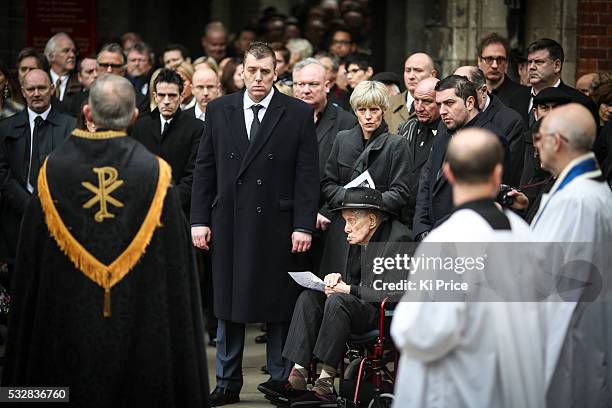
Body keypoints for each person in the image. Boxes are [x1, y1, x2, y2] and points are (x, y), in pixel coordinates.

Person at [1, 73, 210, 407]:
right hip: (140, 324)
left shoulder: (52, 169)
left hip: (64, 326)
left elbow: (29, 272)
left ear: (87, 113)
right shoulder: (155, 173)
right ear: (134, 116)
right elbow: (177, 275)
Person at [190, 42, 319, 406]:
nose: (258, 77)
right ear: (242, 72)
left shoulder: (296, 112)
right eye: (252, 70)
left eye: (265, 71)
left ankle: (279, 380)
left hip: (278, 225)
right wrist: (199, 219)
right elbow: (205, 169)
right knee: (229, 303)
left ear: (276, 73)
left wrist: (304, 225)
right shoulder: (219, 110)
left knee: (278, 305)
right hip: (229, 219)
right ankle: (227, 382)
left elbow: (307, 175)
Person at [392, 128, 546, 408]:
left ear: (448, 173)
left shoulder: (447, 241)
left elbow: (424, 331)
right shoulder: (525, 234)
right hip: (515, 387)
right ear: (498, 174)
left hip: (461, 389)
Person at [275, 187, 410, 405]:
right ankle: (298, 373)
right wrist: (335, 280)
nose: (345, 228)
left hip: (383, 313)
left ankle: (326, 381)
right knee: (309, 298)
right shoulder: (359, 237)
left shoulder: (399, 239)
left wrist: (347, 289)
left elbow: (392, 292)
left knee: (339, 301)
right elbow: (352, 281)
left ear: (372, 220)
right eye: (344, 221)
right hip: (355, 305)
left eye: (351, 221)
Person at [529, 103, 612, 408]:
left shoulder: (576, 201)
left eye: (540, 136)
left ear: (557, 141)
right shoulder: (589, 191)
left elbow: (548, 285)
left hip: (567, 346)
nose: (536, 143)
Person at [319, 80, 412, 280]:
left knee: (366, 295)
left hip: (379, 231)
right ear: (355, 111)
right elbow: (327, 185)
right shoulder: (342, 139)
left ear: (384, 110)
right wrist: (351, 197)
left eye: (374, 109)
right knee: (333, 290)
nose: (368, 116)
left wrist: (367, 202)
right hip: (342, 230)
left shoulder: (397, 144)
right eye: (362, 110)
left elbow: (401, 192)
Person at [413, 75, 510, 241]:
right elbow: (427, 183)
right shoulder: (444, 130)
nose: (442, 111)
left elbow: (484, 197)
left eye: (449, 103)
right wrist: (422, 230)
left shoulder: (490, 139)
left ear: (470, 103)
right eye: (439, 104)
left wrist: (437, 233)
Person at [0, 69, 75, 270]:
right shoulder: (6, 128)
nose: (36, 93)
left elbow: (74, 171)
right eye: (31, 89)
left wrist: (49, 206)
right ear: (23, 92)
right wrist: (27, 204)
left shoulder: (71, 127)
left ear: (51, 90)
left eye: (42, 88)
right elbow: (2, 172)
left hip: (58, 220)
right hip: (16, 221)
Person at [131, 68, 204, 216]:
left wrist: (169, 200)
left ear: (181, 96)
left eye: (172, 95)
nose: (166, 101)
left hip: (181, 211)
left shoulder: (196, 128)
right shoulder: (140, 126)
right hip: (144, 208)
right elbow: (133, 168)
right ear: (155, 96)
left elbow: (194, 174)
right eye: (162, 95)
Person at [455, 66, 526, 185]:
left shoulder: (511, 122)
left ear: (483, 91)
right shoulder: (450, 117)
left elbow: (506, 176)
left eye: (465, 89)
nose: (459, 96)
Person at [508, 38, 598, 126]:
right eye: (529, 62)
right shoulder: (516, 98)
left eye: (539, 62)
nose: (531, 67)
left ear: (557, 65)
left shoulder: (580, 103)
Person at [397, 77, 441, 226]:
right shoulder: (406, 129)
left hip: (429, 220)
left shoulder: (448, 135)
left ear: (441, 102)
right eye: (416, 100)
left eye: (427, 101)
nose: (419, 108)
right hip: (400, 218)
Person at [385, 53, 437, 134]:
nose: (411, 76)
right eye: (408, 70)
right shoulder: (388, 104)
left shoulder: (440, 104)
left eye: (418, 70)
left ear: (432, 75)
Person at [477, 32, 526, 106]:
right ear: (479, 61)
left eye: (500, 59)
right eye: (489, 59)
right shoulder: (472, 93)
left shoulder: (522, 94)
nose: (494, 65)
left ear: (506, 63)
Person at [44, 33, 79, 104]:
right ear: (51, 56)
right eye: (66, 51)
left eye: (74, 51)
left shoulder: (80, 81)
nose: (72, 55)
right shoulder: (41, 80)